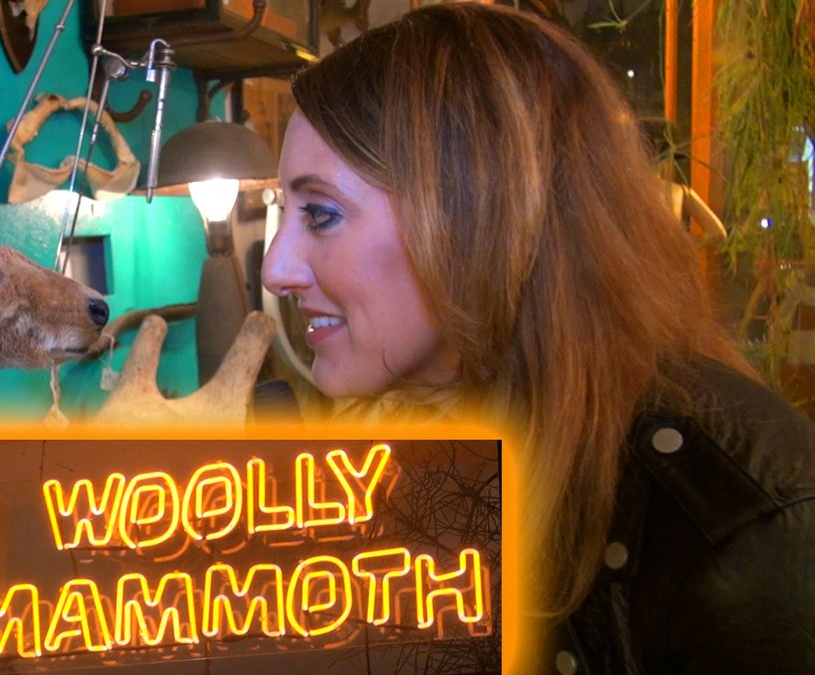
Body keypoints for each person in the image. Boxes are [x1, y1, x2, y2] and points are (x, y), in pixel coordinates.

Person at [261, 4, 815, 672]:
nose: (276, 269)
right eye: (282, 212)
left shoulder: (740, 524)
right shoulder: (435, 456)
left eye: (321, 213)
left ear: (476, 216)